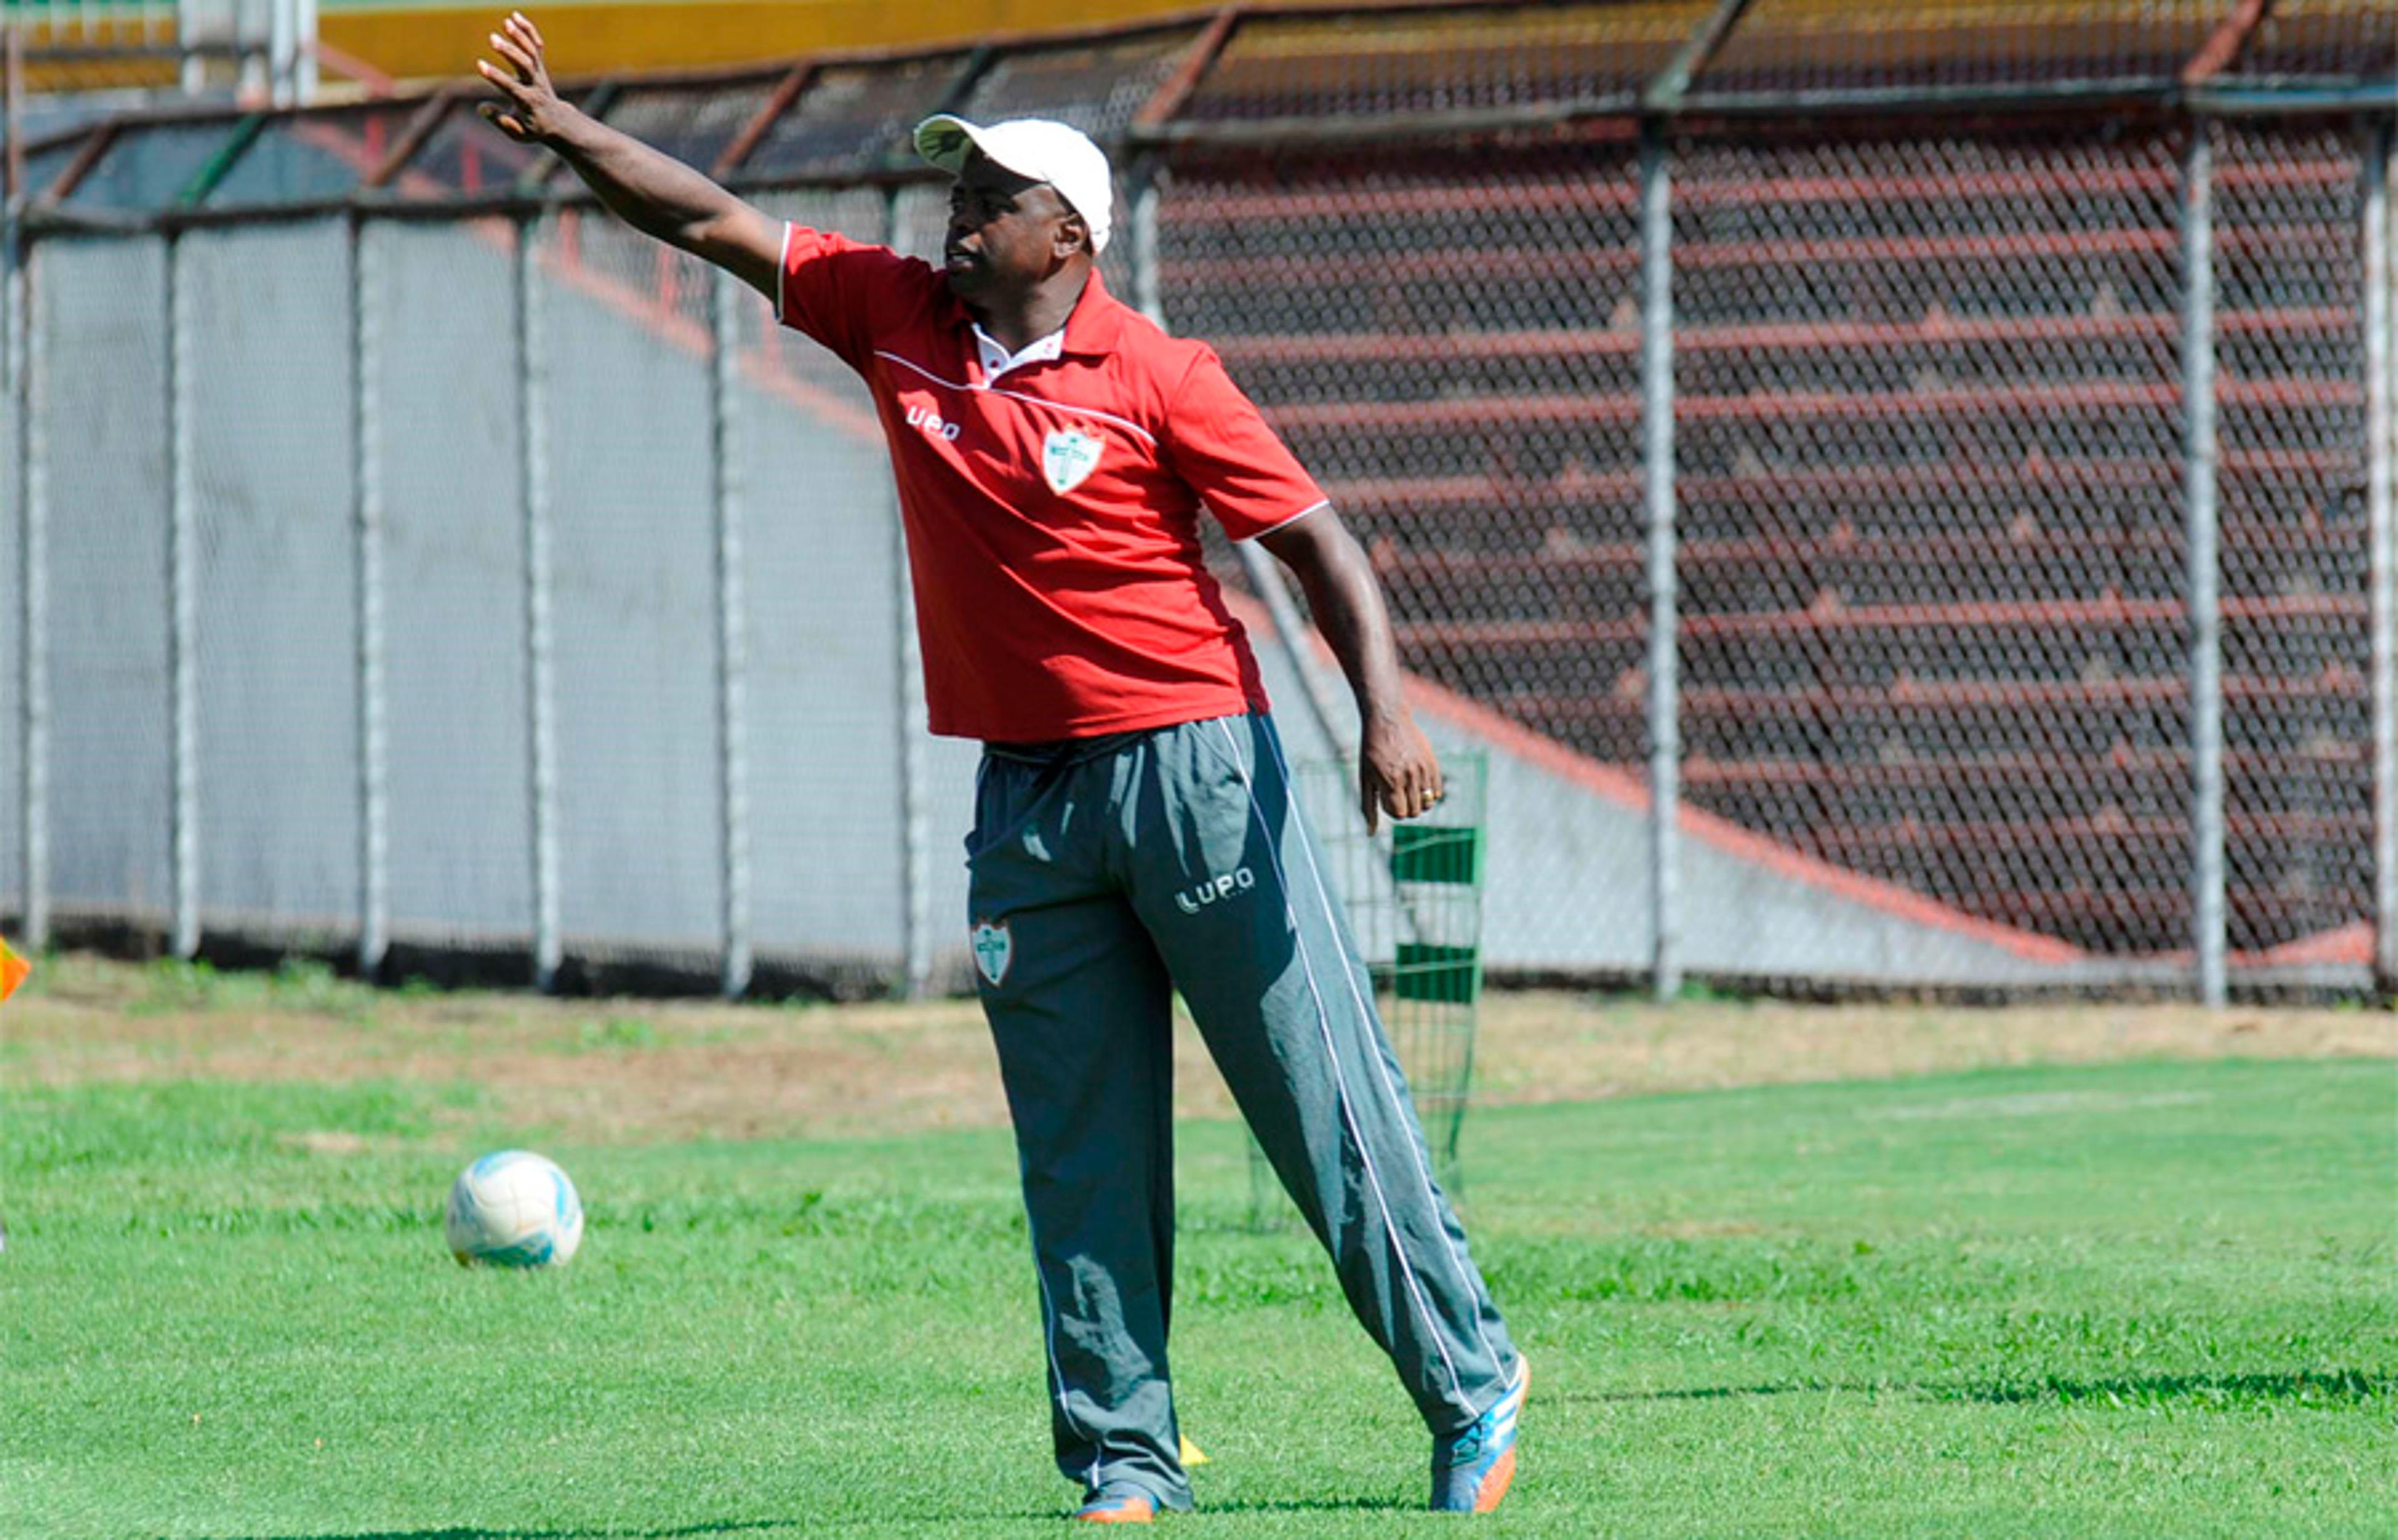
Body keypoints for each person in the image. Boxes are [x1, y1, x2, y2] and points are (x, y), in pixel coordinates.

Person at [477, 12, 1526, 1521]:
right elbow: (703, 216)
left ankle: (1471, 1384)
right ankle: (1122, 1465)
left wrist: (1389, 712)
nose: (954, 214)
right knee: (1080, 1149)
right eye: (954, 189)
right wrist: (571, 134)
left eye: (990, 197)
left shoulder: (1160, 372)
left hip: (1195, 770)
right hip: (1026, 799)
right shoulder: (892, 314)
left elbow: (1314, 542)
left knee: (1315, 1102)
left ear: (1070, 234)